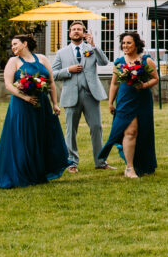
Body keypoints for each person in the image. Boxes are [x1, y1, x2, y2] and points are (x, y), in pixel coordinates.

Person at [0, 35, 70, 188]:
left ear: (25, 44)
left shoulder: (42, 59)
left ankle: (39, 171)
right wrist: (25, 98)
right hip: (21, 104)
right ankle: (22, 172)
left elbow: (51, 83)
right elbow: (8, 85)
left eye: (15, 44)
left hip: (42, 103)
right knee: (23, 136)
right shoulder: (13, 62)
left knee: (40, 135)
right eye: (12, 45)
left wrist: (55, 103)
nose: (13, 47)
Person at [52, 21, 114, 173]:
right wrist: (68, 70)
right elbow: (52, 74)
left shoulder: (90, 49)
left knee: (96, 127)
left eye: (79, 29)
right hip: (71, 94)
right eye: (73, 29)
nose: (76, 32)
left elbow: (104, 62)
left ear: (84, 33)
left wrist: (93, 45)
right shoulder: (62, 53)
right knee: (70, 129)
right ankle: (72, 162)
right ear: (69, 33)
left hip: (91, 94)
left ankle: (100, 161)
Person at [99, 31, 158, 177]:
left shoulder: (146, 60)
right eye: (124, 43)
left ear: (136, 44)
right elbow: (114, 83)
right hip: (125, 99)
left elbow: (155, 78)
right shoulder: (119, 62)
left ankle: (142, 164)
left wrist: (144, 85)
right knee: (129, 131)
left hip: (142, 99)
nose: (125, 46)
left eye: (129, 43)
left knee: (142, 132)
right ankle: (129, 167)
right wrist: (110, 102)